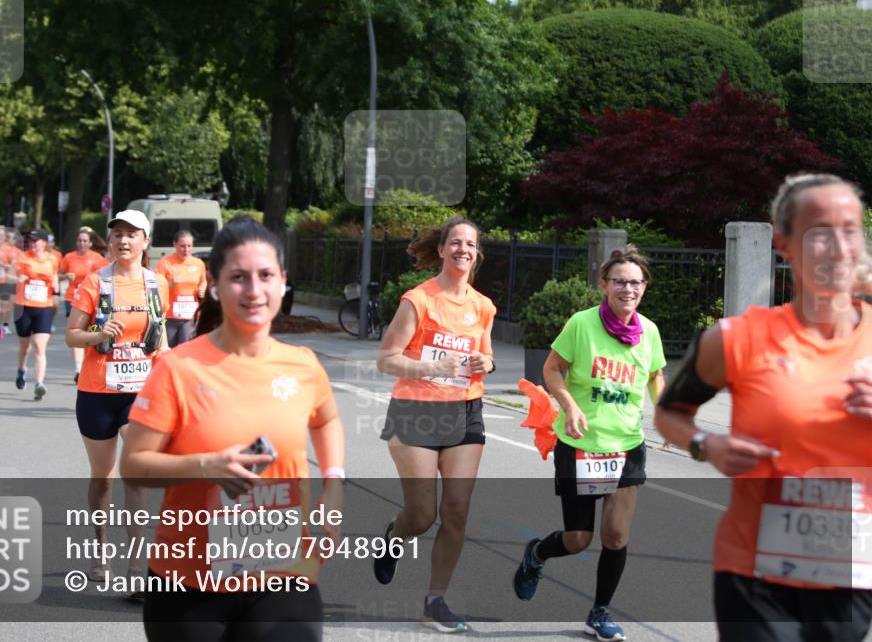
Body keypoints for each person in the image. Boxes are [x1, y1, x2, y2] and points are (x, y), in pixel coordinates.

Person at [654, 173, 872, 642]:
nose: (837, 247)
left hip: (850, 569)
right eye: (819, 232)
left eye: (850, 229)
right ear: (784, 243)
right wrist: (706, 445)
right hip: (752, 572)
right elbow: (669, 412)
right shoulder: (737, 339)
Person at [120, 215, 345, 641]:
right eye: (239, 277)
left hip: (284, 576)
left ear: (283, 282)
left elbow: (328, 419)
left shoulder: (303, 366)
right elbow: (132, 465)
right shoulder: (178, 368)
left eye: (266, 275)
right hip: (188, 584)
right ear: (217, 286)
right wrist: (206, 465)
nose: (254, 290)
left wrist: (334, 483)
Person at [512, 244, 666, 642]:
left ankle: (599, 613)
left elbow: (655, 374)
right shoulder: (581, 324)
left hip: (627, 445)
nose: (627, 289)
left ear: (644, 288)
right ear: (604, 284)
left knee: (616, 536)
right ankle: (537, 554)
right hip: (580, 444)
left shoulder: (649, 331)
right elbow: (552, 368)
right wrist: (569, 405)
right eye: (619, 281)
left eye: (635, 283)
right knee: (578, 539)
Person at [373, 216, 497, 633]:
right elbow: (386, 358)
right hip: (415, 413)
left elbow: (487, 356)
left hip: (465, 411)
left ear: (477, 254)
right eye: (456, 242)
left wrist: (488, 362)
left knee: (457, 512)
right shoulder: (418, 300)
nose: (464, 249)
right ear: (442, 250)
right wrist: (432, 366)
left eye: (471, 244)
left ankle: (435, 600)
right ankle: (394, 535)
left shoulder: (483, 306)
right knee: (423, 514)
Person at [65, 210, 170, 594]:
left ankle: (138, 567)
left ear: (145, 242)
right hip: (97, 394)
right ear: (109, 242)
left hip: (140, 395)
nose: (124, 241)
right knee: (103, 478)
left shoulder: (157, 284)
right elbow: (72, 335)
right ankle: (100, 549)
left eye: (132, 235)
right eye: (118, 235)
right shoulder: (95, 282)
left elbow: (161, 340)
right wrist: (97, 334)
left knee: (136, 474)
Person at [8, 228, 59, 400]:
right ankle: (22, 369)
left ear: (44, 243)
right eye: (31, 241)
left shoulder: (52, 259)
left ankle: (39, 383)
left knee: (39, 346)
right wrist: (18, 279)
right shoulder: (23, 258)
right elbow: (8, 276)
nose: (32, 244)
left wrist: (57, 288)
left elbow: (55, 275)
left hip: (44, 307)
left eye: (36, 241)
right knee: (24, 347)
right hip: (23, 307)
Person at [60, 227, 109, 382]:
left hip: (92, 299)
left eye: (85, 241)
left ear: (90, 243)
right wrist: (65, 276)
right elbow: (58, 275)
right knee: (76, 329)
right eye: (80, 241)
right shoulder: (69, 257)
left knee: (88, 331)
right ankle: (78, 368)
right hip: (72, 298)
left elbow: (106, 276)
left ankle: (86, 364)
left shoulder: (97, 258)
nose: (82, 244)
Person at [155, 229, 208, 347]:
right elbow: (156, 289)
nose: (186, 250)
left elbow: (203, 282)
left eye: (189, 246)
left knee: (185, 348)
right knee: (169, 350)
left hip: (190, 315)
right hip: (170, 316)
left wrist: (202, 289)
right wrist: (171, 284)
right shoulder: (164, 263)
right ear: (174, 244)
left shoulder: (198, 263)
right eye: (182, 246)